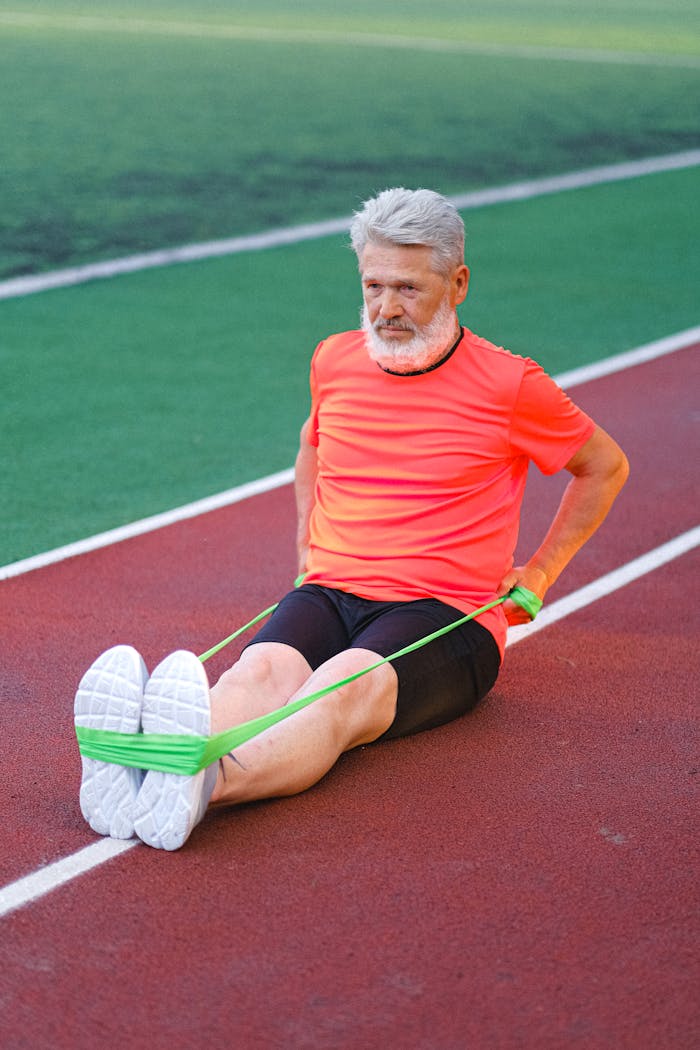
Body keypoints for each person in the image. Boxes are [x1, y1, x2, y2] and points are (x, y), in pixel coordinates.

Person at [74, 187, 629, 851]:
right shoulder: (334, 359)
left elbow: (604, 466)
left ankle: (201, 783)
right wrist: (308, 545)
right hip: (332, 590)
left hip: (444, 614)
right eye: (373, 286)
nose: (387, 309)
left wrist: (539, 574)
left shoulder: (511, 385)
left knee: (337, 688)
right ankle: (147, 769)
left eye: (408, 288)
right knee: (256, 677)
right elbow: (312, 449)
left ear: (458, 284)